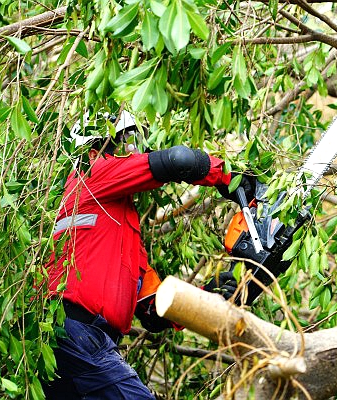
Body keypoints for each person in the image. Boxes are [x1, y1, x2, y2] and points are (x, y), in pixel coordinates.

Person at [42, 111, 251, 399]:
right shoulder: (90, 176)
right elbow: (179, 160)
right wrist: (230, 176)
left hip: (78, 341)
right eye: (124, 143)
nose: (133, 151)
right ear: (93, 151)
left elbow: (153, 309)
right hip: (77, 333)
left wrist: (211, 295)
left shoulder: (118, 227)